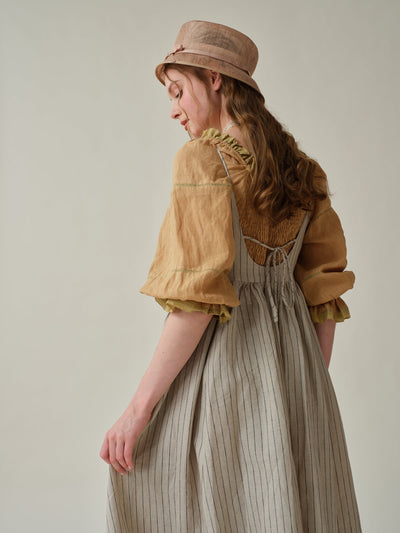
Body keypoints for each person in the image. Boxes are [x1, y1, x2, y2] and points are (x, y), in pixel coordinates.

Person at [100, 20, 362, 532]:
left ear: (215, 79)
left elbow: (195, 304)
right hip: (301, 382)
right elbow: (323, 296)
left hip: (225, 375)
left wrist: (136, 411)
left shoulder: (202, 160)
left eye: (178, 90)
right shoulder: (304, 172)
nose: (173, 109)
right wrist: (304, 389)